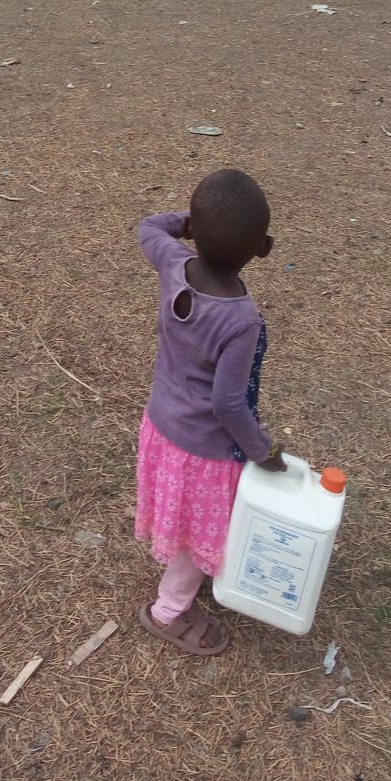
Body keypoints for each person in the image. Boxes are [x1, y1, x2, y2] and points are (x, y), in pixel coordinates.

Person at [135, 170, 285, 657]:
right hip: (204, 453)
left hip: (161, 427)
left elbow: (148, 226)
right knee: (200, 531)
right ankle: (169, 609)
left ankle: (181, 580)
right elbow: (227, 404)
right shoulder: (241, 320)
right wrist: (262, 451)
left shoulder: (173, 261)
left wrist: (192, 222)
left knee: (183, 514)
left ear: (193, 232)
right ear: (263, 248)